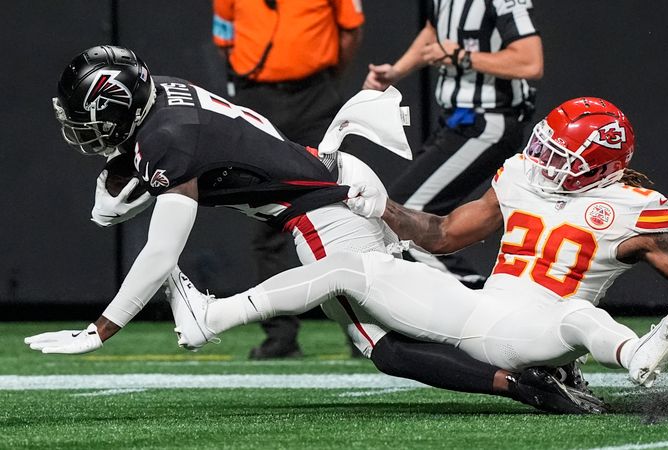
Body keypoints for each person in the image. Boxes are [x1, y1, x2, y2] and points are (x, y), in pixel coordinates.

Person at [25, 45, 602, 415]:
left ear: (119, 106)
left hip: (322, 211)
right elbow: (162, 157)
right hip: (333, 182)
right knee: (422, 302)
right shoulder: (165, 101)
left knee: (385, 346)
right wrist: (124, 180)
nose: (81, 131)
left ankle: (528, 383)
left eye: (87, 119)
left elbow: (160, 251)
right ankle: (540, 358)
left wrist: (101, 328)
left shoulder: (168, 140)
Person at [154, 97, 668, 394]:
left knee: (579, 314)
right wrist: (384, 208)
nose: (542, 159)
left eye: (561, 155)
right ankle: (215, 314)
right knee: (349, 266)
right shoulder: (523, 176)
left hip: (540, 328)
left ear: (601, 168)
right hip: (476, 306)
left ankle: (636, 355)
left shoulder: (631, 210)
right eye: (546, 146)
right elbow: (445, 234)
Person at [213, 0, 364, 359]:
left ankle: (363, 330)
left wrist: (323, 77)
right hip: (258, 99)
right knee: (265, 218)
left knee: (340, 211)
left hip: (315, 97)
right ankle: (280, 337)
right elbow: (225, 39)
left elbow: (350, 32)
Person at [363, 0, 544, 288]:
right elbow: (433, 31)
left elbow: (530, 61)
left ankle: (474, 304)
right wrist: (396, 71)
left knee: (406, 217)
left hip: (489, 120)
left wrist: (462, 56)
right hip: (456, 121)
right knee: (404, 216)